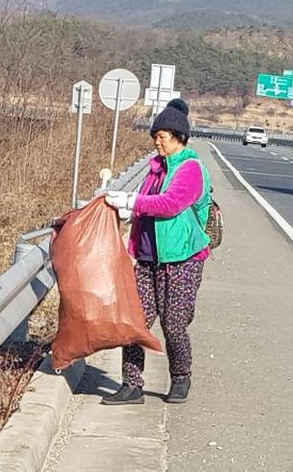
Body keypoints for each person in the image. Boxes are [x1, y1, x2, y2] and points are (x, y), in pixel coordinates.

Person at [102, 98, 211, 405]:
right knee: (134, 323)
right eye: (155, 136)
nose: (157, 142)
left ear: (179, 137)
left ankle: (180, 377)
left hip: (183, 261)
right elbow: (146, 203)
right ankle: (132, 384)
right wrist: (130, 213)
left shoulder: (191, 169)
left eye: (162, 136)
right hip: (148, 259)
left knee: (174, 325)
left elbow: (170, 205)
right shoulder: (155, 170)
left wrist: (132, 202)